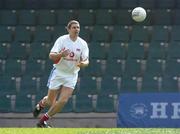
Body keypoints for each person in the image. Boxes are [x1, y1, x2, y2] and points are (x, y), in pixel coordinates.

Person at [33, 20, 89, 128]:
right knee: (50, 101)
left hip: (72, 75)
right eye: (74, 27)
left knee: (63, 100)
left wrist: (83, 64)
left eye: (78, 27)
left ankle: (42, 121)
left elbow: (86, 60)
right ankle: (41, 104)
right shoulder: (62, 40)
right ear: (68, 29)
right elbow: (51, 56)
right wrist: (61, 54)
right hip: (58, 72)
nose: (76, 29)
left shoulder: (83, 44)